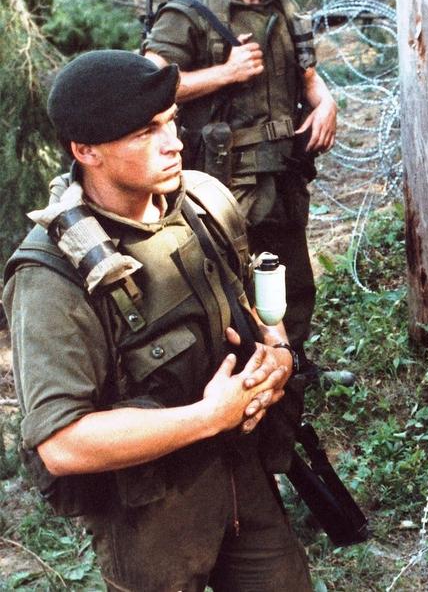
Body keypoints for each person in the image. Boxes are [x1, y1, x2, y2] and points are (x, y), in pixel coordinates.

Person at [3, 50, 312, 590]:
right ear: (86, 151)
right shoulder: (52, 276)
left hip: (246, 477)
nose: (175, 142)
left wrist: (278, 354)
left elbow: (253, 300)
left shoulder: (206, 199)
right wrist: (209, 416)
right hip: (152, 520)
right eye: (147, 131)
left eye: (171, 120)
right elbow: (63, 443)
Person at [144, 0, 337, 376]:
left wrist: (326, 103)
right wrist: (225, 73)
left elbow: (309, 76)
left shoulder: (283, 7)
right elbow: (150, 85)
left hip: (284, 170)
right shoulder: (189, 12)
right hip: (223, 180)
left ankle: (294, 366)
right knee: (230, 281)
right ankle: (236, 373)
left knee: (291, 275)